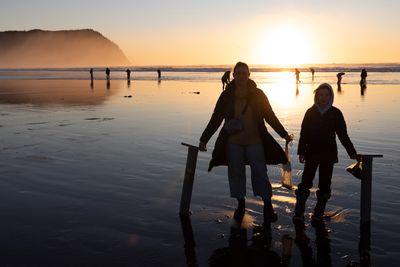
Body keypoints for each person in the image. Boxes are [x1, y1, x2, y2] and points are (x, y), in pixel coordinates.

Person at [199, 62, 293, 223]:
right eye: (238, 73)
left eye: (244, 73)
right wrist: (204, 138)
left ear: (249, 75)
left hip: (255, 141)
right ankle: (241, 204)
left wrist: (283, 133)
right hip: (233, 142)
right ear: (233, 75)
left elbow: (270, 115)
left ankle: (267, 206)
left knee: (260, 173)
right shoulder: (226, 95)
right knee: (236, 173)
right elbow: (216, 118)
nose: (241, 76)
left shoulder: (258, 94)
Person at [293, 83, 359, 221]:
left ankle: (319, 212)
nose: (323, 98)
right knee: (306, 181)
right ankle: (299, 210)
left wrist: (352, 152)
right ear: (316, 96)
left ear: (331, 96)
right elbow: (304, 133)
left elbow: (343, 135)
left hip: (328, 154)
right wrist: (301, 152)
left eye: (326, 95)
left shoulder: (336, 113)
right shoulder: (310, 112)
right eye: (320, 95)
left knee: (325, 183)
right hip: (311, 152)